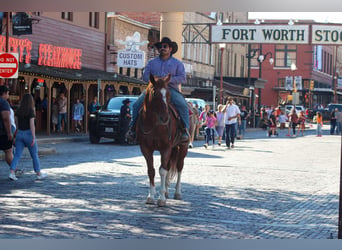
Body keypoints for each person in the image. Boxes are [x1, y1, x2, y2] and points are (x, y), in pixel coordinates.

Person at [127, 37, 189, 142]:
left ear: (170, 49)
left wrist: (168, 80)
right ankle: (133, 129)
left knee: (182, 105)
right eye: (160, 47)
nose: (162, 48)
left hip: (169, 89)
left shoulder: (177, 63)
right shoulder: (151, 62)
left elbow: (182, 78)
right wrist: (156, 80)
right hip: (153, 88)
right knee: (136, 104)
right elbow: (145, 76)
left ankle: (184, 130)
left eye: (165, 46)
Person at [9, 93, 47, 181]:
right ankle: (38, 173)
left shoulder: (18, 111)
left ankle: (12, 172)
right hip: (28, 133)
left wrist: (16, 135)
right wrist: (33, 137)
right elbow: (32, 125)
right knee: (34, 155)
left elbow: (17, 124)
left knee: (17, 155)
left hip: (19, 133)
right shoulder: (31, 111)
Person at [0, 85, 14, 168]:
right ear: (4, 93)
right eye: (8, 93)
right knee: (8, 151)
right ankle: (13, 169)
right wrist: (9, 133)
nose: (8, 95)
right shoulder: (4, 103)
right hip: (2, 132)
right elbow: (6, 118)